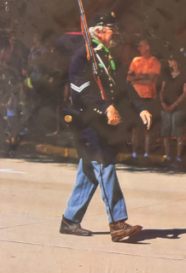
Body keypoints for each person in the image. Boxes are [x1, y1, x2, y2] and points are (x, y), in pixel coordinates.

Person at [59, 12, 146, 242]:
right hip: (87, 123)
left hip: (100, 126)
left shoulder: (106, 57)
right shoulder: (83, 56)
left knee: (89, 173)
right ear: (98, 31)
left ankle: (70, 220)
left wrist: (140, 108)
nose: (115, 32)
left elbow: (122, 88)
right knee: (105, 165)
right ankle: (117, 223)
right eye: (111, 28)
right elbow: (81, 91)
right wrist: (105, 107)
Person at [127, 39, 162, 159]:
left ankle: (146, 154)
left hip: (148, 97)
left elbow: (150, 80)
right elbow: (128, 78)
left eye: (141, 46)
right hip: (136, 98)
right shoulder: (136, 61)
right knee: (134, 129)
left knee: (147, 128)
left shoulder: (154, 62)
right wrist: (141, 77)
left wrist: (136, 78)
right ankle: (134, 153)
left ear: (147, 47)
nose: (138, 48)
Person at [160, 51, 186, 167]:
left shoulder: (184, 75)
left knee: (178, 131)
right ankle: (168, 156)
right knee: (166, 131)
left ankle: (178, 157)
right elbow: (162, 90)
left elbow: (185, 92)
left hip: (178, 107)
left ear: (177, 62)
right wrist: (162, 103)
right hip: (166, 106)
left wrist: (175, 104)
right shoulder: (166, 74)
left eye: (171, 59)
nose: (169, 61)